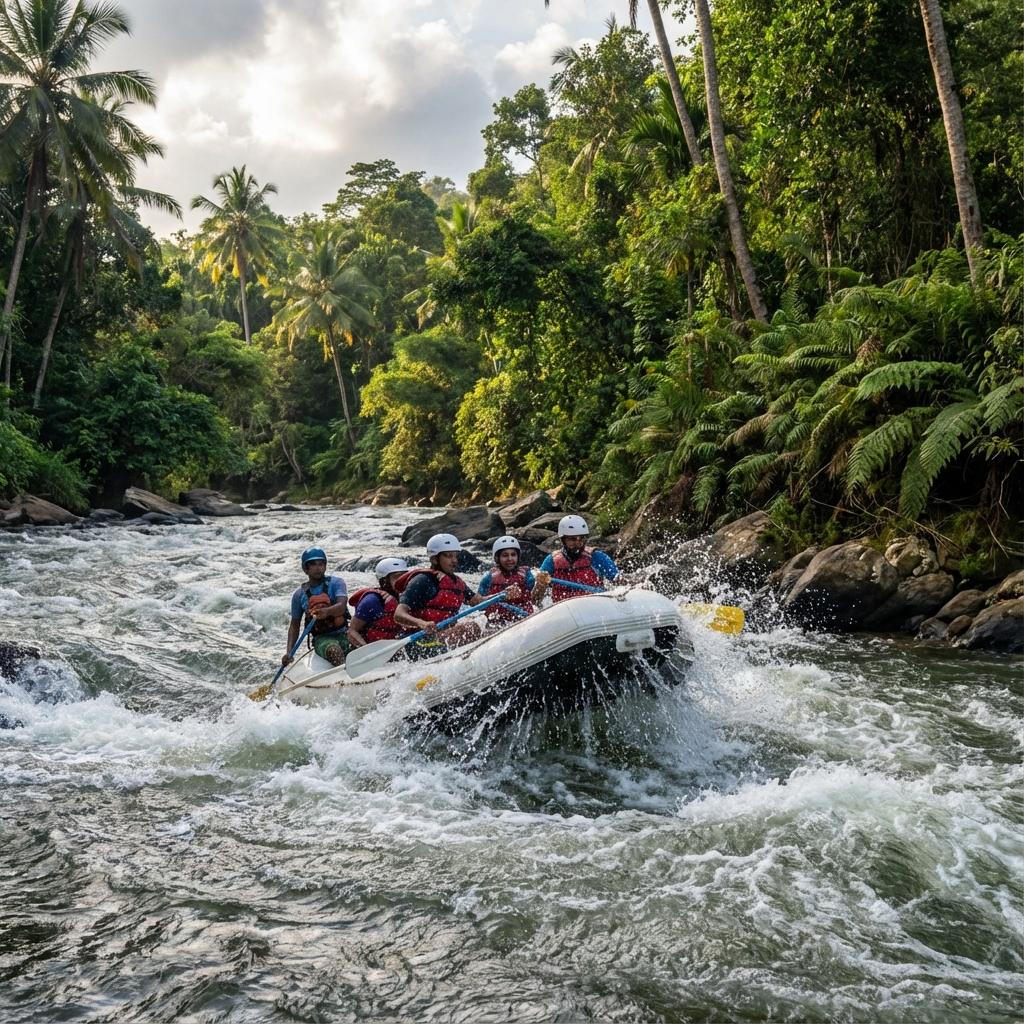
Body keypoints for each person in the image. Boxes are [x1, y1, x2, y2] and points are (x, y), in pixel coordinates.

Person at [393, 533, 485, 652]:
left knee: (480, 622)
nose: (454, 560)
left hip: (441, 638)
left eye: (455, 556)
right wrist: (421, 623)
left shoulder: (456, 581)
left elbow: (476, 601)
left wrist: (504, 594)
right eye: (448, 556)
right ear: (435, 559)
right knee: (472, 627)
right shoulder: (422, 580)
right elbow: (398, 614)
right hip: (420, 643)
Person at [282, 547, 349, 667]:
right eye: (313, 564)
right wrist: (289, 652)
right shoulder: (299, 595)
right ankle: (345, 677)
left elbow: (342, 606)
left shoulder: (336, 583)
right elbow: (294, 626)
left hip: (345, 633)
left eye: (321, 564)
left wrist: (327, 611)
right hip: (323, 639)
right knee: (334, 650)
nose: (318, 568)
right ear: (305, 569)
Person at [533, 515, 620, 604]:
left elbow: (619, 581)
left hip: (594, 605)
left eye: (581, 538)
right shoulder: (551, 561)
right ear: (563, 540)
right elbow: (535, 601)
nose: (579, 544)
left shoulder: (596, 557)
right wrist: (540, 585)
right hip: (563, 609)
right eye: (573, 539)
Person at [478, 535, 549, 625]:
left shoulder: (526, 574)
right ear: (497, 558)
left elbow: (535, 600)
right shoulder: (489, 577)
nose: (510, 559)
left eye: (513, 554)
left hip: (525, 619)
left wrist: (541, 585)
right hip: (498, 623)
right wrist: (501, 595)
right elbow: (478, 603)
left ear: (518, 556)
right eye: (505, 555)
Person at [347, 557, 409, 649]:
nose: (402, 580)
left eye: (404, 576)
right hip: (374, 647)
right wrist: (366, 649)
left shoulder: (407, 596)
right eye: (397, 577)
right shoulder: (372, 601)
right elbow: (352, 631)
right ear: (384, 581)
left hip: (395, 646)